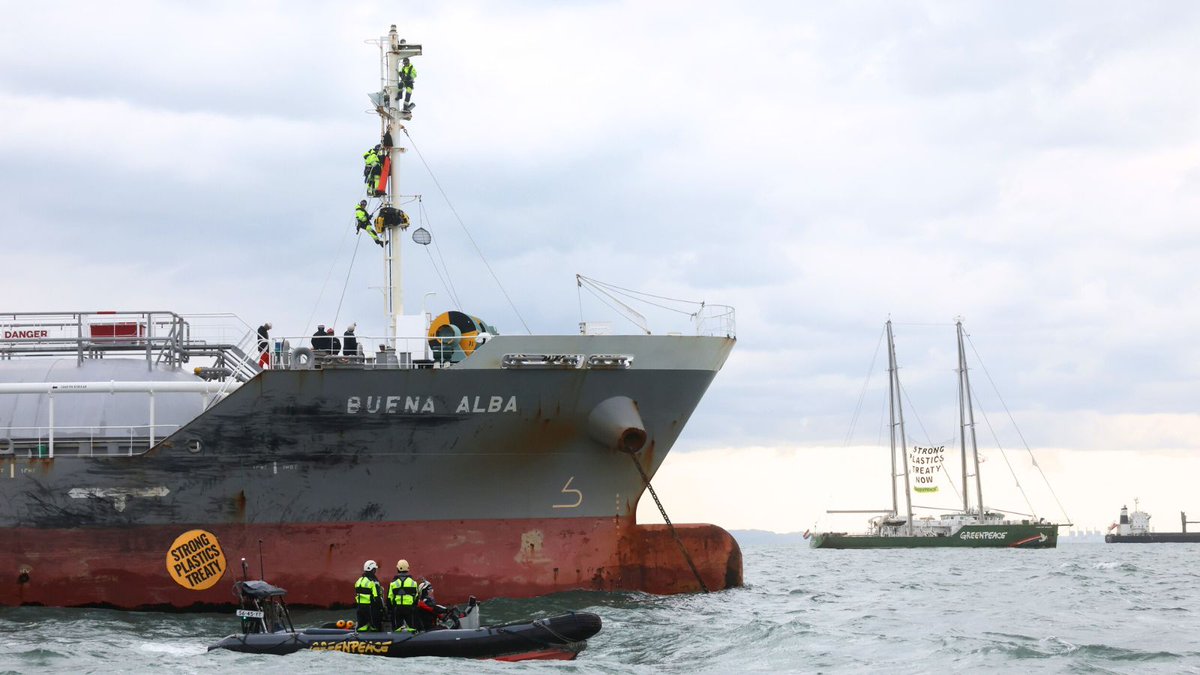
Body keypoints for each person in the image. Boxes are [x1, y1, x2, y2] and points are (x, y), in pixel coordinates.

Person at [354, 560, 386, 632]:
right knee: (375, 626)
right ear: (373, 570)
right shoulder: (372, 582)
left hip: (360, 607)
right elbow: (377, 597)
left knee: (361, 626)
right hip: (370, 608)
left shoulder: (359, 581)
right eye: (375, 569)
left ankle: (361, 634)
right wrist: (382, 608)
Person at [388, 559, 419, 630]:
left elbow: (390, 597)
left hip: (397, 608)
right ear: (408, 569)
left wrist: (391, 608)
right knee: (412, 628)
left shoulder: (393, 583)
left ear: (398, 568)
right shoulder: (413, 583)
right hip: (409, 608)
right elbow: (416, 597)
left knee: (397, 629)